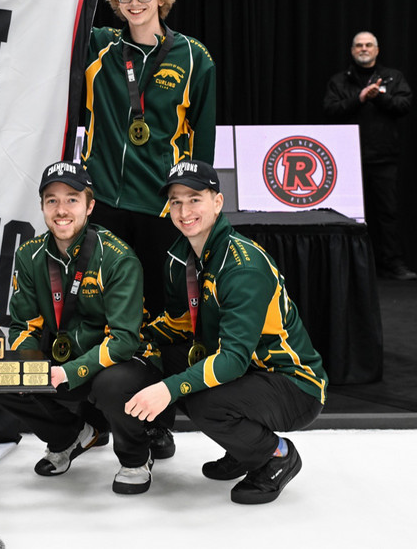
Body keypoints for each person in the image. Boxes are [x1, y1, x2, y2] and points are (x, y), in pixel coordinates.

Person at [127, 159, 328, 505]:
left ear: (217, 202)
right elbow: (178, 324)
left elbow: (233, 359)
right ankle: (243, 447)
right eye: (176, 201)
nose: (184, 210)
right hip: (246, 370)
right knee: (153, 358)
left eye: (194, 199)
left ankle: (276, 455)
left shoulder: (243, 265)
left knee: (205, 401)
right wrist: (132, 337)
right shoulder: (180, 256)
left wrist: (167, 390)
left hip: (292, 382)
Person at [0, 161, 165, 494]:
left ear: (90, 205)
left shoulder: (116, 257)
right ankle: (70, 436)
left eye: (72, 199)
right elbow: (24, 323)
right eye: (51, 200)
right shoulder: (29, 254)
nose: (61, 209)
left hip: (126, 361)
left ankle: (135, 457)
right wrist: (26, 365)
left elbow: (125, 340)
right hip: (65, 361)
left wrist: (69, 372)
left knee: (114, 383)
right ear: (41, 206)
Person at [67, 0, 216, 318]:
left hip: (158, 203)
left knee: (158, 303)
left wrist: (198, 200)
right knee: (103, 301)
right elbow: (60, 10)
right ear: (116, 2)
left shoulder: (194, 57)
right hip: (102, 202)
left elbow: (203, 136)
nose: (135, 3)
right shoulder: (98, 46)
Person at [323, 31, 414, 281]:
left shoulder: (394, 77)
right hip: (347, 161)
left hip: (385, 157)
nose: (364, 49)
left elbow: (404, 105)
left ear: (377, 50)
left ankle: (392, 263)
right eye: (359, 45)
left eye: (368, 45)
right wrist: (360, 98)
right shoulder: (340, 81)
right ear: (352, 50)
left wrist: (380, 96)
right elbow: (330, 110)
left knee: (388, 213)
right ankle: (347, 266)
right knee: (347, 215)